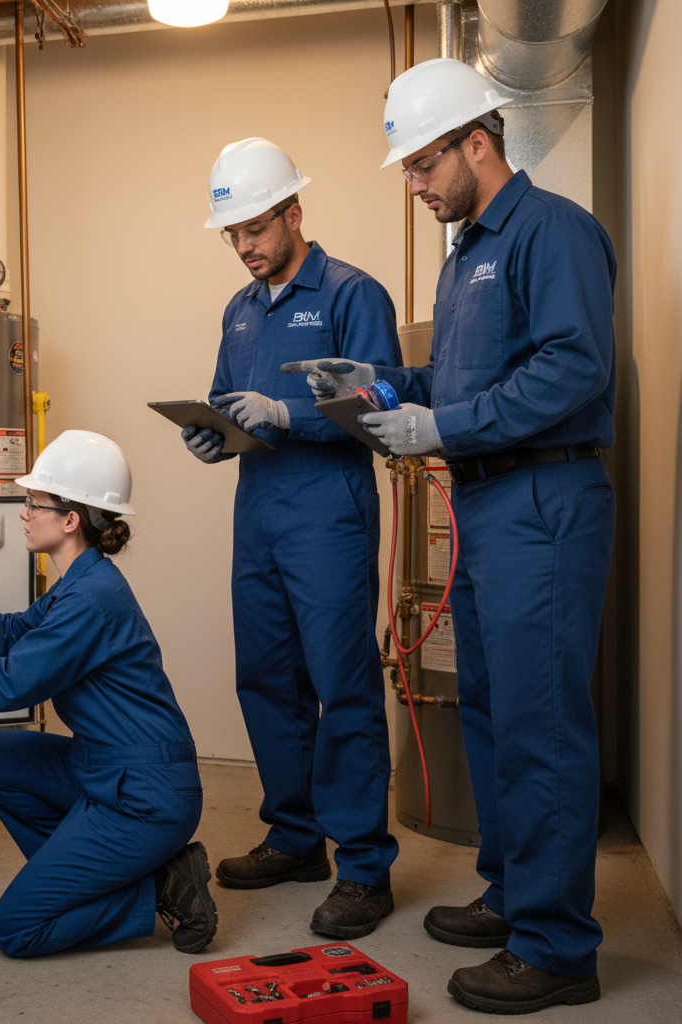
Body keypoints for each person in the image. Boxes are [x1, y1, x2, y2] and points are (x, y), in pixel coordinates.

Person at [285, 58, 615, 1015]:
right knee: (491, 713)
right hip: (487, 504)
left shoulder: (552, 231)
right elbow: (461, 380)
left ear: (480, 142)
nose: (415, 184)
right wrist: (389, 386)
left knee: (542, 728)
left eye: (423, 164)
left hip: (543, 505)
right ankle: (517, 899)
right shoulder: (468, 251)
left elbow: (573, 370)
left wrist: (445, 428)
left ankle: (559, 949)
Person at [0, 430, 216, 958]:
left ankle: (162, 886)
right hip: (109, 768)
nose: (23, 513)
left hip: (146, 796)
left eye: (33, 503)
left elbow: (6, 684)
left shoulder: (91, 598)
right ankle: (86, 876)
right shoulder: (80, 581)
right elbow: (12, 635)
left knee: (15, 929)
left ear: (70, 519)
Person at [182, 137, 402, 939]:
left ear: (295, 213)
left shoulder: (351, 294)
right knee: (268, 680)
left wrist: (290, 415)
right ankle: (296, 836)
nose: (243, 246)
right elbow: (221, 398)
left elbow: (377, 407)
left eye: (255, 228)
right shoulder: (240, 311)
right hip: (260, 519)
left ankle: (366, 868)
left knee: (341, 686)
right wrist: (211, 432)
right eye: (231, 234)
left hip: (329, 519)